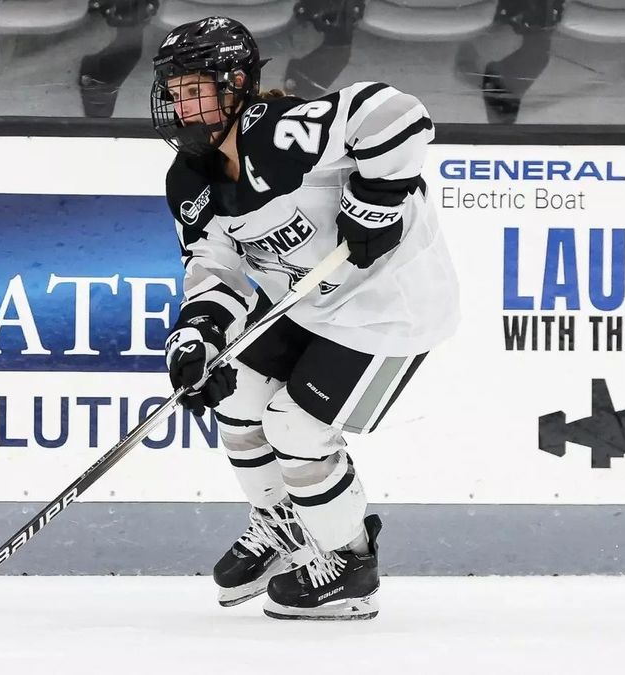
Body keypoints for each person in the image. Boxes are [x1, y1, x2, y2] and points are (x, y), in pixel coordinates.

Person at [152, 16, 460, 620]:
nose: (183, 107)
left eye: (195, 89)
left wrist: (378, 200)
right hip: (309, 302)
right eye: (175, 93)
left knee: (295, 428)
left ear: (235, 83)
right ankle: (285, 526)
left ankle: (350, 564)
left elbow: (396, 113)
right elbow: (216, 268)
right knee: (236, 395)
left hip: (388, 306)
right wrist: (197, 334)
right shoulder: (189, 178)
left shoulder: (282, 132)